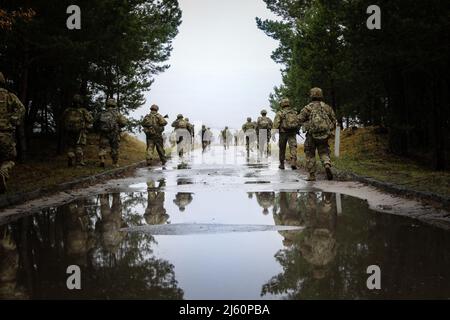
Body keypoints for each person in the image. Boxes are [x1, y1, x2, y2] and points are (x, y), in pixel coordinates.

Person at [298, 88, 336, 181]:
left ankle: (311, 175)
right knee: (324, 151)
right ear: (321, 95)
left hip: (311, 135)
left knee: (310, 154)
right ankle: (327, 164)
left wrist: (305, 124)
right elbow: (334, 120)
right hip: (324, 135)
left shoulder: (308, 108)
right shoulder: (326, 107)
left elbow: (299, 119)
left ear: (311, 95)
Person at [0, 72, 25, 193]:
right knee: (10, 159)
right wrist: (14, 119)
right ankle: (3, 171)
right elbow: (21, 108)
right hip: (6, 135)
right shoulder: (9, 96)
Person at [62, 94, 93, 167]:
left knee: (70, 146)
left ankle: (70, 158)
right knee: (79, 146)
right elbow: (90, 119)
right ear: (80, 102)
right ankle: (79, 164)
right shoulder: (83, 110)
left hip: (69, 131)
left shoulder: (67, 110)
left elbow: (62, 119)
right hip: (80, 132)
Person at [96, 98, 128, 168]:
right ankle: (114, 163)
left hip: (104, 133)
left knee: (102, 147)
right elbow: (123, 123)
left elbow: (95, 122)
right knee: (114, 148)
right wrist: (119, 126)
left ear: (107, 104)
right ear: (114, 104)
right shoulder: (117, 113)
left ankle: (102, 159)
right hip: (114, 134)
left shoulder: (102, 113)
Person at [273, 98, 299, 170]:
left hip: (283, 132)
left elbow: (276, 124)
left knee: (282, 148)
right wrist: (296, 130)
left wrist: (273, 133)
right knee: (293, 147)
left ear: (282, 104)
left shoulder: (280, 113)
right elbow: (298, 122)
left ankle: (282, 164)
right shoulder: (294, 112)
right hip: (292, 132)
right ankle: (293, 161)